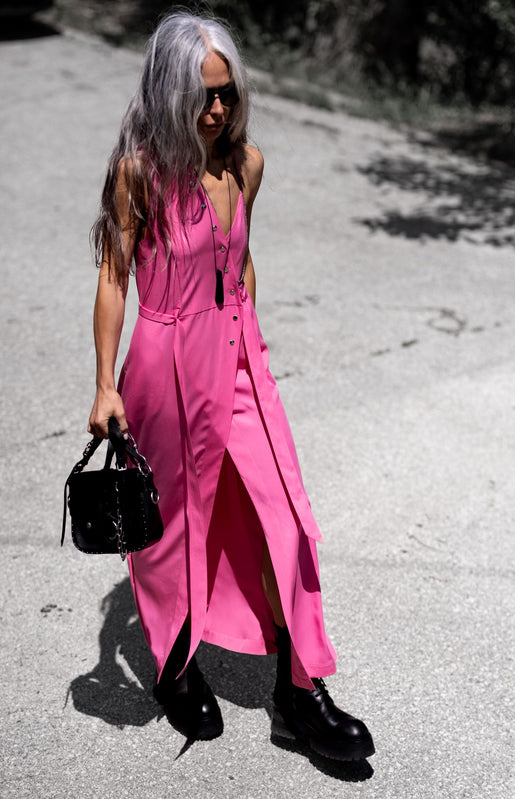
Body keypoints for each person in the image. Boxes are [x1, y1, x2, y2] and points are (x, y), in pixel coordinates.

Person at [88, 10, 374, 761]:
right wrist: (104, 385)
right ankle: (175, 662)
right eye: (202, 96)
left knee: (287, 520)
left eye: (227, 94)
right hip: (165, 363)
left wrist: (253, 341)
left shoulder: (247, 164)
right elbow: (115, 278)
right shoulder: (140, 174)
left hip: (239, 356)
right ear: (169, 92)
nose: (217, 110)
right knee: (172, 529)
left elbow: (240, 259)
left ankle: (300, 691)